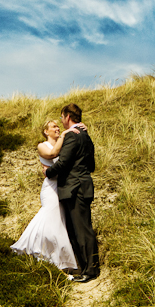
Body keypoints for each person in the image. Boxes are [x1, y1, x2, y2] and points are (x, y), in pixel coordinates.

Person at [10, 119, 82, 274]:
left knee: (59, 222)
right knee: (52, 222)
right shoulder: (42, 145)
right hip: (51, 188)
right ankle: (46, 254)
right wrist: (64, 134)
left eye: (58, 125)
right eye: (53, 126)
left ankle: (55, 259)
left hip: (63, 187)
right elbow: (52, 154)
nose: (57, 128)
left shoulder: (62, 144)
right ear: (45, 131)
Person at [43, 103, 99, 283]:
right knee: (81, 228)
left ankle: (90, 271)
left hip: (74, 188)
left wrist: (47, 173)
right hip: (83, 185)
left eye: (61, 118)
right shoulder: (86, 136)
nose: (61, 122)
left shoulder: (72, 137)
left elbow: (63, 163)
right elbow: (92, 165)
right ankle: (84, 268)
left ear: (67, 117)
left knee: (81, 230)